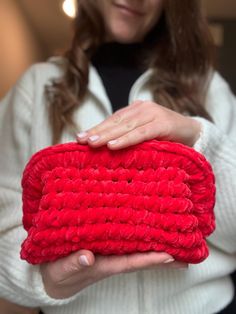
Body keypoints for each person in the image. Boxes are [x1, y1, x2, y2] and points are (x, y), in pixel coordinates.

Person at [0, 0, 236, 313]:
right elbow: (6, 223)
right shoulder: (38, 86)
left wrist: (199, 136)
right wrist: (45, 281)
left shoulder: (208, 87)